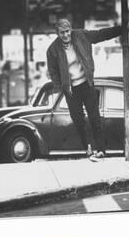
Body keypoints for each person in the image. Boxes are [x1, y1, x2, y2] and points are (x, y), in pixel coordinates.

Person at [46, 19, 122, 161]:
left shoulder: (81, 36)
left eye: (67, 31)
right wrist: (61, 87)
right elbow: (53, 72)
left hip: (86, 84)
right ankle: (88, 149)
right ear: (57, 33)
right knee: (79, 121)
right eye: (62, 33)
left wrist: (121, 29)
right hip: (71, 90)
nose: (66, 35)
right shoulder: (52, 50)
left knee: (95, 118)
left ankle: (101, 150)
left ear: (71, 30)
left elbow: (100, 34)